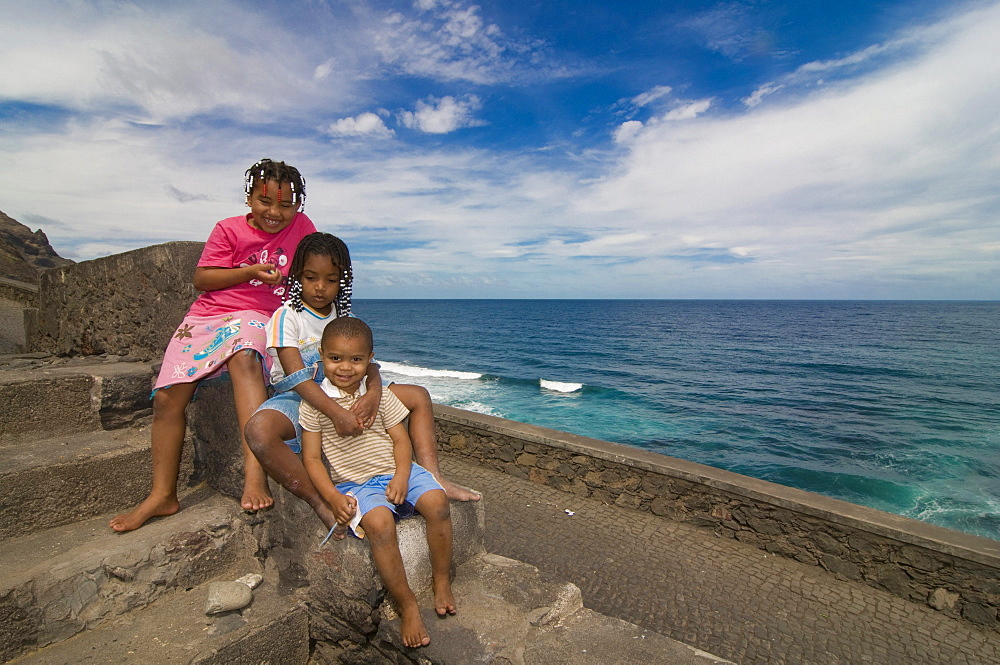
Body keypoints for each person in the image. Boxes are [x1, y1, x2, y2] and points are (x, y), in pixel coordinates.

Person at [110, 159, 316, 532]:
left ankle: (255, 475)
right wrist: (251, 271)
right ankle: (162, 494)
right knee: (168, 396)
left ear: (297, 205)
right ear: (250, 197)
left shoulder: (302, 228)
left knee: (245, 358)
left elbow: (314, 264)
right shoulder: (228, 229)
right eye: (265, 202)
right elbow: (202, 278)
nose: (275, 213)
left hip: (260, 315)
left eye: (286, 205)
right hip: (208, 317)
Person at [244, 232, 478, 533]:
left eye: (330, 279)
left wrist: (373, 395)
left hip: (352, 390)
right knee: (259, 431)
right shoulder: (287, 317)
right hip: (300, 398)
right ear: (297, 275)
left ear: (342, 280)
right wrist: (337, 413)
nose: (320, 287)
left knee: (419, 395)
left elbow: (370, 365)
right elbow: (297, 379)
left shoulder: (345, 315)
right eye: (311, 277)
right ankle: (320, 502)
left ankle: (433, 476)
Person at [301, 317, 455, 648]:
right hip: (354, 485)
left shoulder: (380, 396)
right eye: (335, 358)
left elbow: (401, 441)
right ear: (321, 356)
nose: (345, 368)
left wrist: (402, 475)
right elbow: (312, 460)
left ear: (370, 359)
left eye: (356, 359)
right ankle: (407, 604)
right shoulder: (315, 405)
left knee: (438, 504)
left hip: (398, 470)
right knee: (381, 525)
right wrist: (331, 496)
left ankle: (441, 580)